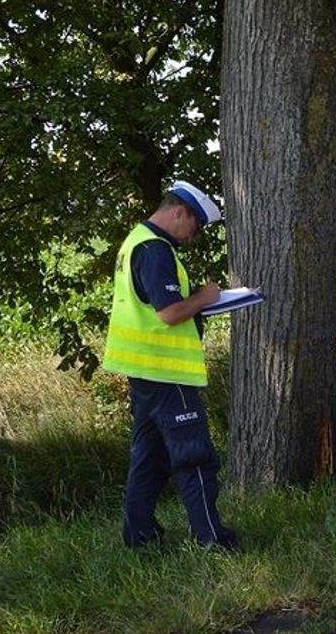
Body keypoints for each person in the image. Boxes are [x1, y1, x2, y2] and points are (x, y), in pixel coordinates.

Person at [103, 180, 238, 550]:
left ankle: (140, 537)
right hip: (167, 374)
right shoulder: (155, 249)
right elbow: (169, 313)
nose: (193, 238)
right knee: (194, 457)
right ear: (179, 211)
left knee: (148, 459)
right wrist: (206, 297)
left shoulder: (135, 241)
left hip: (145, 372)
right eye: (195, 228)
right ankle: (211, 540)